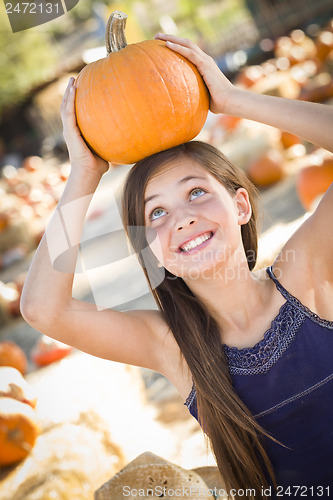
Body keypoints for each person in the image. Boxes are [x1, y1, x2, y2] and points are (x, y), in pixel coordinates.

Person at [20, 34, 333, 499]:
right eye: (156, 213)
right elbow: (43, 310)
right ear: (149, 251)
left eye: (197, 192)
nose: (183, 217)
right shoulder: (172, 346)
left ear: (241, 205)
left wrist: (231, 99)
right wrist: (84, 172)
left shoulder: (304, 275)